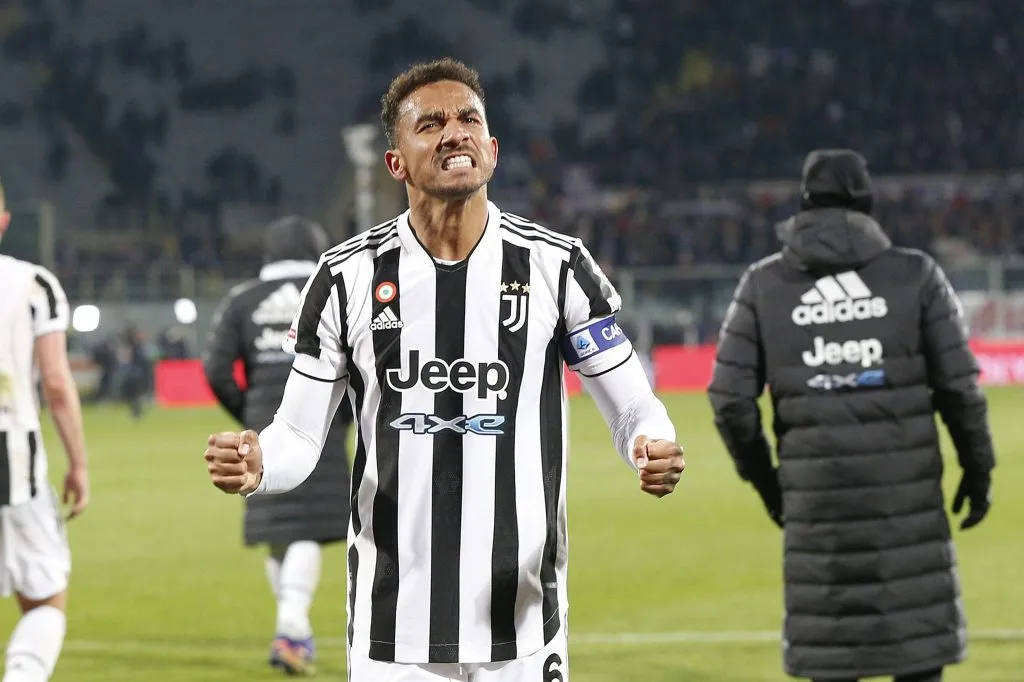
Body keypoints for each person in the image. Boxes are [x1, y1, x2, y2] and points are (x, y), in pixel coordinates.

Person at [203, 58, 686, 682]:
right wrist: (259, 464)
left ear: (492, 149)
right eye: (430, 124)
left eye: (468, 119)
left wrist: (652, 442)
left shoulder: (556, 266)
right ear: (396, 162)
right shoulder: (346, 277)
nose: (454, 132)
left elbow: (633, 408)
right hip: (391, 627)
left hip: (523, 621)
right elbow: (297, 434)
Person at [708, 149, 996, 682]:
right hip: (909, 518)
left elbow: (729, 400)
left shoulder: (763, 285)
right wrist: (978, 470)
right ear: (867, 203)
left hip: (818, 518)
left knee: (831, 658)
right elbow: (960, 389)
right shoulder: (916, 276)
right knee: (916, 657)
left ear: (805, 204)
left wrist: (772, 487)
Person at [203, 216, 352, 676]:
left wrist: (248, 412)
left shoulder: (242, 299)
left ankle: (293, 630)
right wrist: (340, 416)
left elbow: (215, 369)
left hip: (262, 430)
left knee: (279, 529)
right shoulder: (334, 290)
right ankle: (292, 628)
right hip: (320, 422)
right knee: (305, 526)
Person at [0, 178, 90, 682]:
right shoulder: (32, 284)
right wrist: (78, 464)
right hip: (10, 455)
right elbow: (56, 383)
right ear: (4, 221)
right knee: (45, 598)